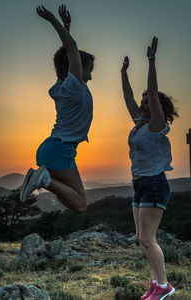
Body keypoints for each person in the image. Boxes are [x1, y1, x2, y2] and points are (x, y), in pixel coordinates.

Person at [20, 5, 94, 213]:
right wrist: (54, 20)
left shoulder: (62, 85)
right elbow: (70, 49)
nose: (90, 75)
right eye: (89, 69)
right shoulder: (74, 86)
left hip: (54, 149)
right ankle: (43, 179)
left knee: (74, 199)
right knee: (80, 205)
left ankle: (43, 178)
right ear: (78, 68)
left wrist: (67, 25)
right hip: (60, 150)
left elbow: (65, 55)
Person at [121, 37, 178, 300]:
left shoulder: (156, 125)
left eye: (148, 103)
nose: (143, 105)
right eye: (143, 103)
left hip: (154, 183)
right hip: (140, 185)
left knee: (148, 238)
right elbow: (129, 97)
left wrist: (151, 60)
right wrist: (123, 73)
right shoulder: (140, 124)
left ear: (156, 108)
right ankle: (156, 282)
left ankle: (164, 286)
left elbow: (151, 93)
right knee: (141, 237)